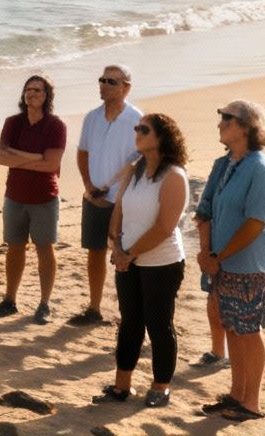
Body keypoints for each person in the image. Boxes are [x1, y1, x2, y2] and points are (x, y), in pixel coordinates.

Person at [92, 113, 189, 408]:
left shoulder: (174, 176)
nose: (137, 132)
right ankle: (122, 386)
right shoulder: (135, 169)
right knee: (129, 322)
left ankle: (161, 386)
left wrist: (130, 253)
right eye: (137, 128)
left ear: (162, 138)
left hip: (162, 262)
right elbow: (118, 208)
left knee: (159, 325)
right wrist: (117, 245)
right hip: (128, 259)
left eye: (144, 129)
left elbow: (164, 226)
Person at [195, 100, 265, 422]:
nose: (220, 124)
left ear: (246, 127)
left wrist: (218, 255)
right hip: (219, 263)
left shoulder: (259, 168)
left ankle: (251, 402)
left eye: (226, 119)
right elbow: (205, 211)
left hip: (246, 264)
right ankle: (236, 394)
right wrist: (206, 254)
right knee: (230, 326)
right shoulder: (224, 164)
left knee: (248, 330)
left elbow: (257, 222)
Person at [0, 74, 66, 323]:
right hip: (15, 196)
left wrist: (20, 157)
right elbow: (1, 158)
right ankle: (10, 300)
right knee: (14, 246)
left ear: (46, 96)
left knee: (45, 247)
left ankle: (44, 304)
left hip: (44, 197)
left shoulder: (55, 126)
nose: (32, 93)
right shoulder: (13, 123)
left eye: (38, 90)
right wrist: (35, 157)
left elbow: (51, 165)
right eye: (28, 90)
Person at [73, 64, 142, 326]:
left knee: (124, 255)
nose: (103, 85)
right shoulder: (92, 117)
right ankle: (94, 308)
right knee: (94, 252)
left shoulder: (137, 119)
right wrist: (89, 186)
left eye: (111, 81)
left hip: (123, 201)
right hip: (93, 197)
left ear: (126, 87)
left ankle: (129, 314)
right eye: (102, 80)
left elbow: (139, 161)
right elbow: (83, 153)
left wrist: (119, 194)